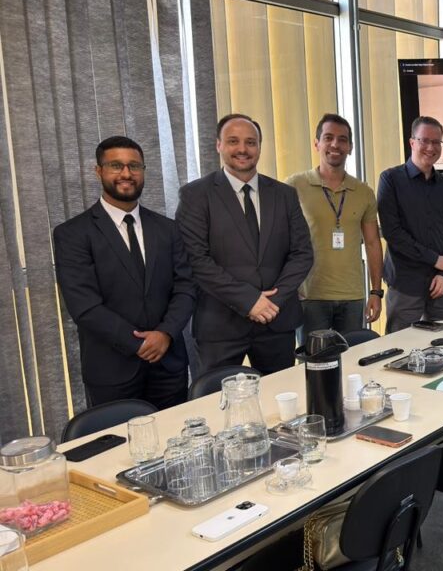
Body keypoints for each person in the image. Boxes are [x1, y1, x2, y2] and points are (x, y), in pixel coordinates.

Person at [53, 136, 195, 409]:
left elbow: (186, 287)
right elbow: (84, 306)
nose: (127, 174)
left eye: (134, 166)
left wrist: (165, 333)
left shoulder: (167, 229)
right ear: (99, 171)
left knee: (176, 433)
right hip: (112, 370)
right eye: (116, 166)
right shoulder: (73, 234)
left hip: (168, 364)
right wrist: (138, 344)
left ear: (143, 171)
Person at [176, 113, 313, 375]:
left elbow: (302, 254)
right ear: (218, 145)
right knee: (216, 396)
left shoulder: (284, 194)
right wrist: (249, 301)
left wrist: (271, 303)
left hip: (276, 321)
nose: (243, 149)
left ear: (259, 146)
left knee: (281, 395)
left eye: (251, 142)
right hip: (220, 325)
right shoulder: (196, 195)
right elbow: (196, 260)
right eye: (233, 141)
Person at [285, 114, 384, 339]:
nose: (335, 144)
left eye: (342, 139)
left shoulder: (363, 192)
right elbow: (281, 241)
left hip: (352, 296)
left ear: (350, 147)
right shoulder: (294, 186)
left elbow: (372, 243)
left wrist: (376, 292)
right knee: (313, 359)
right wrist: (288, 288)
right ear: (317, 143)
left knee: (352, 357)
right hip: (310, 296)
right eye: (328, 138)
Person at [377, 116, 443, 333]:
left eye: (436, 142)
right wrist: (435, 260)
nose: (430, 147)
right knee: (400, 347)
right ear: (412, 142)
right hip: (405, 285)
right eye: (424, 140)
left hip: (439, 286)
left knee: (440, 346)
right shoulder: (390, 179)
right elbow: (393, 233)